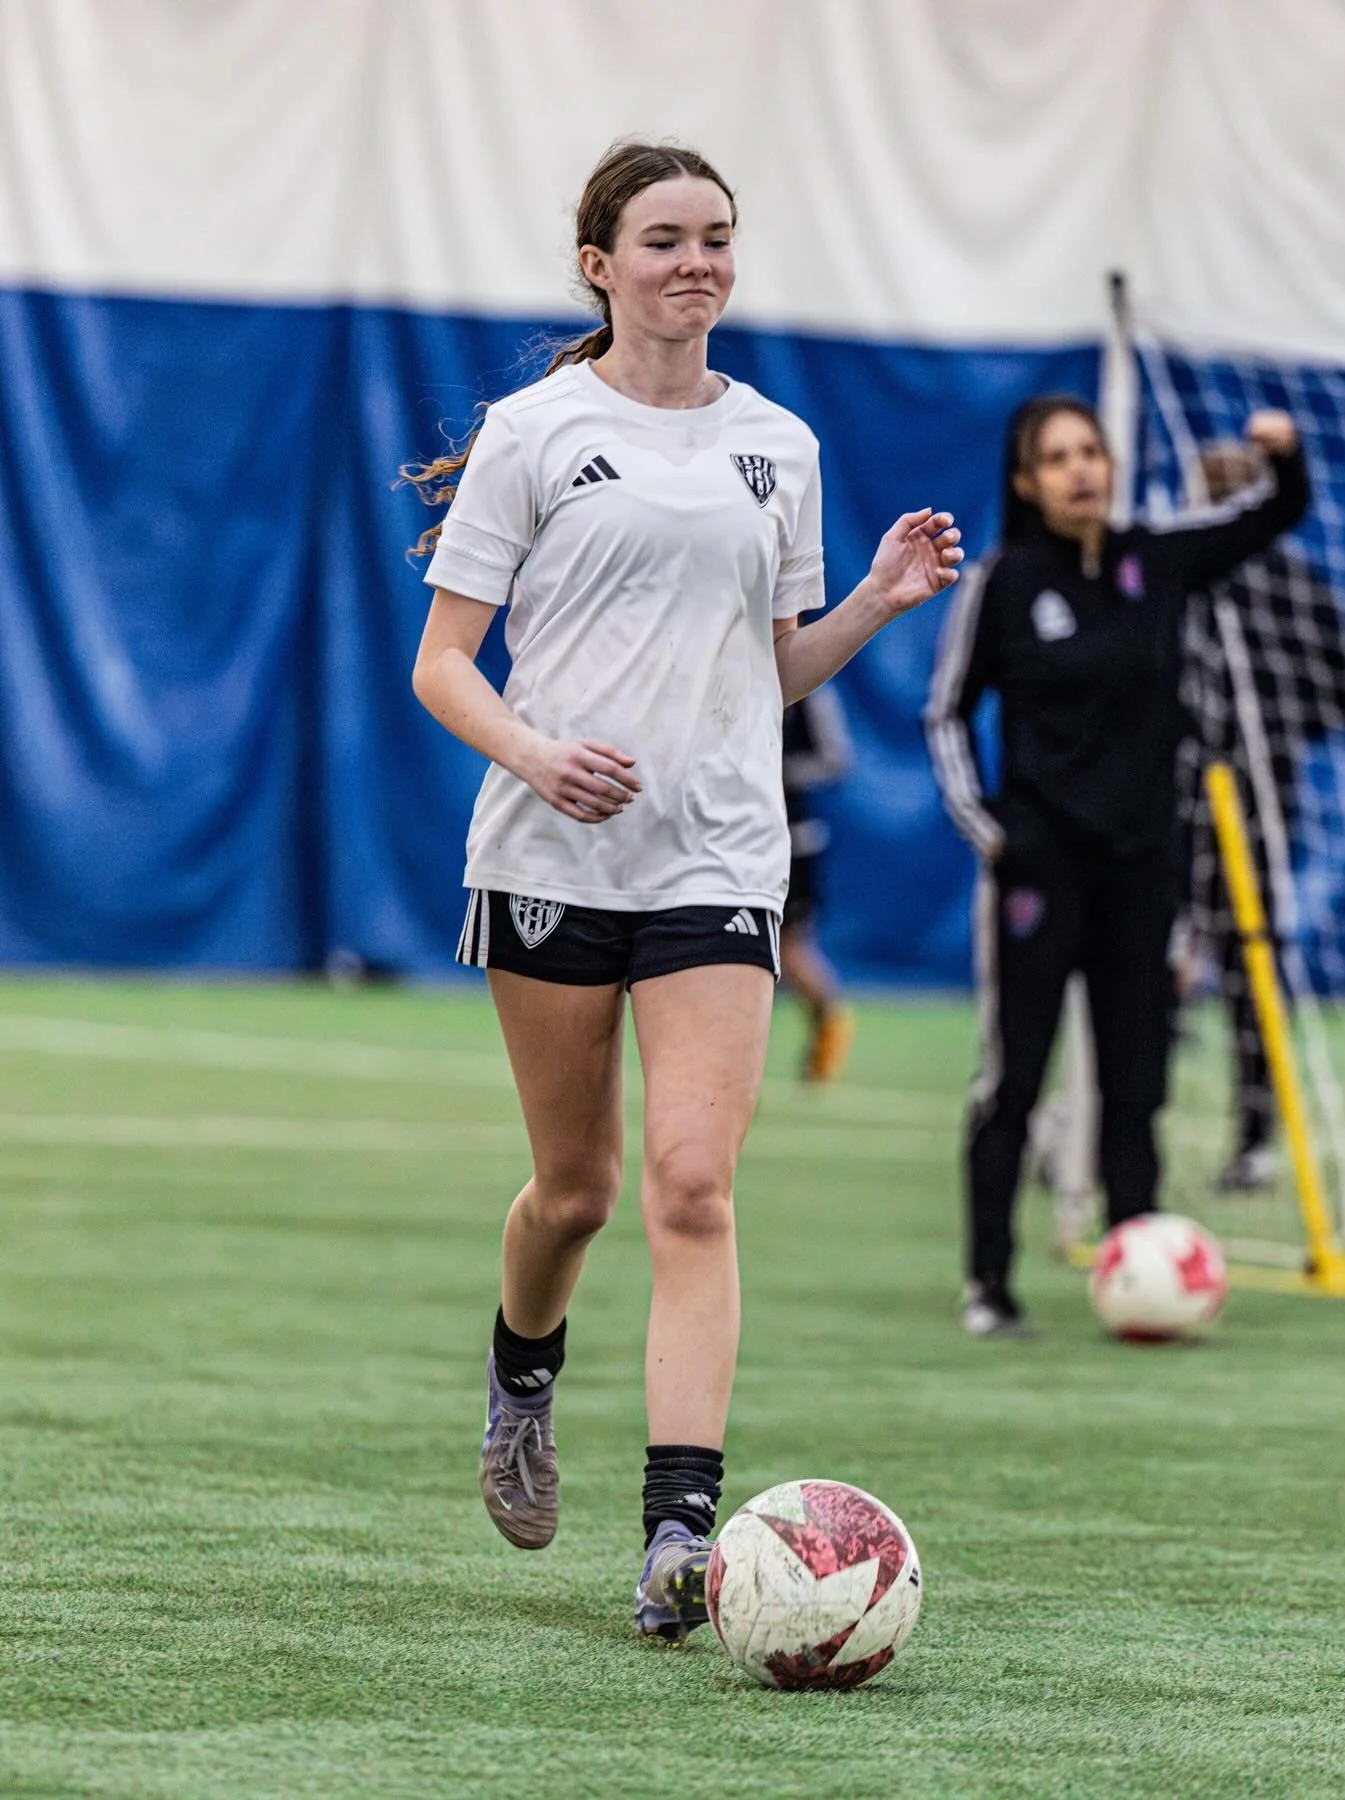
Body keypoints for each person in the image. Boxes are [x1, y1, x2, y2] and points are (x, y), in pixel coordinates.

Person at [405, 140, 961, 1638]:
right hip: (548, 852)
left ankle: (679, 1533)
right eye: (662, 239)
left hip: (720, 854)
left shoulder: (778, 441)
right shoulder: (534, 432)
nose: (694, 261)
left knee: (694, 1185)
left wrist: (873, 604)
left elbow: (768, 670)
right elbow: (442, 662)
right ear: (599, 263)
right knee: (577, 1192)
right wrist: (534, 751)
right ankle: (523, 1378)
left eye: (716, 236)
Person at [924, 394, 1309, 1336]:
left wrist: (1285, 458)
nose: (1080, 470)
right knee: (1015, 1079)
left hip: (1145, 870)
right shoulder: (1006, 580)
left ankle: (1136, 1263)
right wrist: (993, 830)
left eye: (1091, 451)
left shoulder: (1157, 559)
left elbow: (1271, 514)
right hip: (1039, 874)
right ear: (1026, 481)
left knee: (1137, 1085)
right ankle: (989, 1284)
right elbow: (945, 714)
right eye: (1056, 458)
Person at [1178, 440, 1345, 1192]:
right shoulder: (1167, 577)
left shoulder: (1286, 585)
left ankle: (1252, 1135)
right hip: (1169, 799)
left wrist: (1263, 732)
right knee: (1164, 959)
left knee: (1244, 961)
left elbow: (1335, 699)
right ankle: (1095, 1126)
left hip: (1246, 804)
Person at [780, 687, 855, 1080]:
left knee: (790, 945)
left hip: (793, 838)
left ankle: (830, 1018)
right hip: (739, 836)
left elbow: (835, 757)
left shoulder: (811, 692)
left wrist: (773, 767)